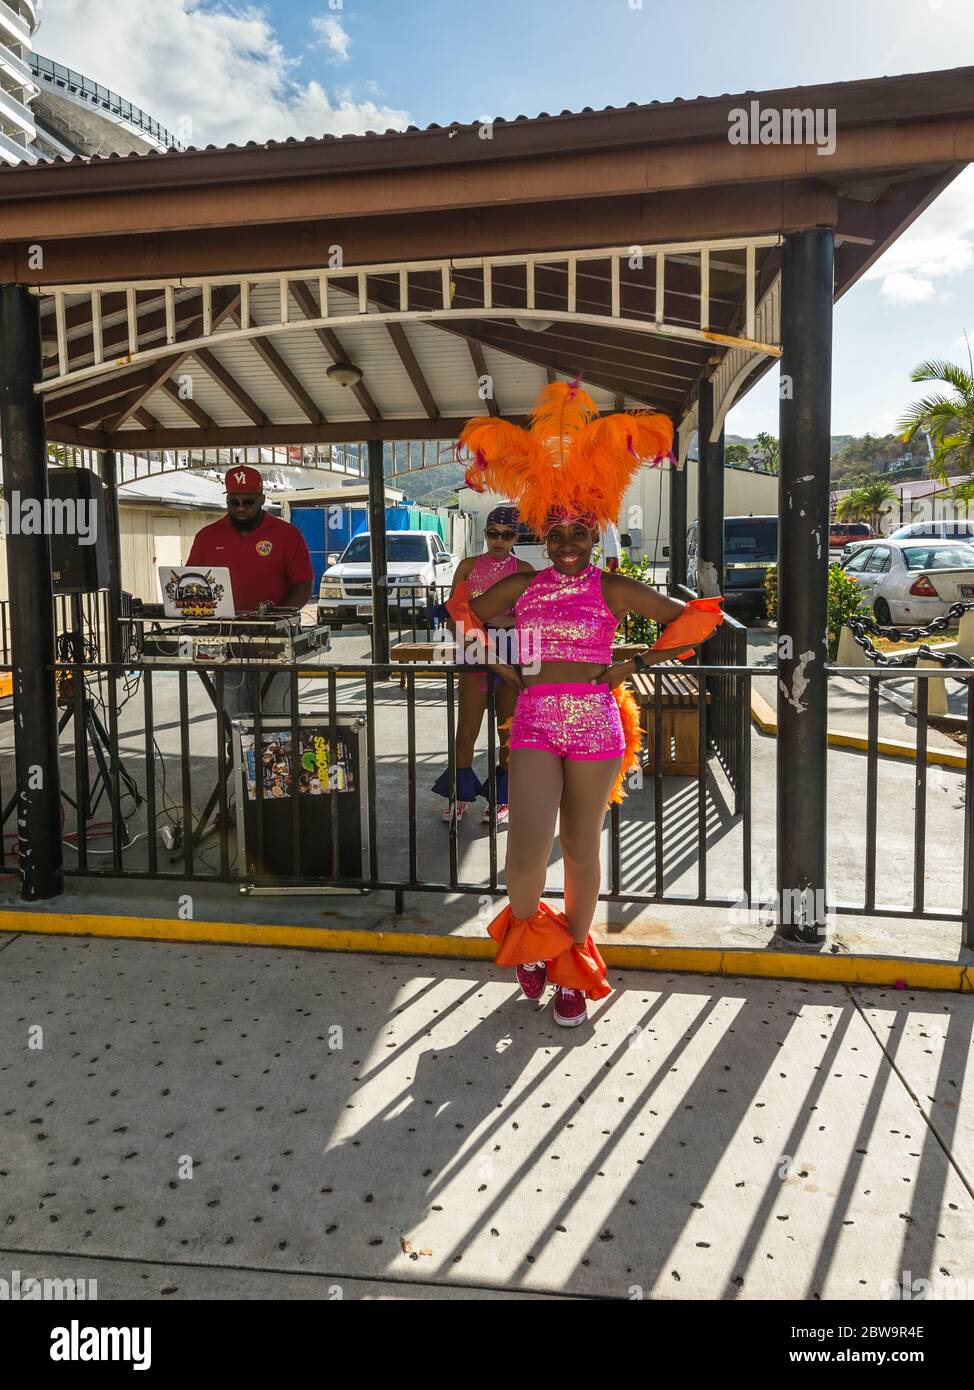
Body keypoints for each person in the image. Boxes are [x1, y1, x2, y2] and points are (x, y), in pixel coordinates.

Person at [449, 381, 724, 1026]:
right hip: (537, 717)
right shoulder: (521, 583)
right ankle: (530, 941)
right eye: (558, 534)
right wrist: (500, 664)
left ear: (594, 533)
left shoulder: (615, 587)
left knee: (579, 847)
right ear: (543, 535)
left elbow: (697, 618)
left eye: (579, 533)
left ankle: (571, 964)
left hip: (598, 720)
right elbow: (461, 610)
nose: (569, 544)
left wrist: (637, 662)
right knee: (525, 852)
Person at [431, 505, 534, 825]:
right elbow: (452, 616)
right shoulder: (468, 566)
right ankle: (460, 797)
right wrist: (474, 634)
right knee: (467, 730)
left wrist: (529, 665)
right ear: (485, 533)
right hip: (474, 654)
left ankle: (502, 799)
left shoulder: (525, 568)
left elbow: (530, 620)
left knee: (509, 731)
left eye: (507, 535)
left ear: (516, 536)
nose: (499, 540)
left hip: (512, 655)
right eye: (493, 533)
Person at [187, 465, 314, 716]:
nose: (241, 507)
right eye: (233, 502)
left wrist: (276, 618)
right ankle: (236, 757)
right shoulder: (207, 537)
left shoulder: (287, 535)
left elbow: (303, 584)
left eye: (248, 501)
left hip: (274, 639)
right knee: (234, 719)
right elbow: (192, 584)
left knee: (278, 717)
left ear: (262, 500)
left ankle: (274, 756)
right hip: (226, 641)